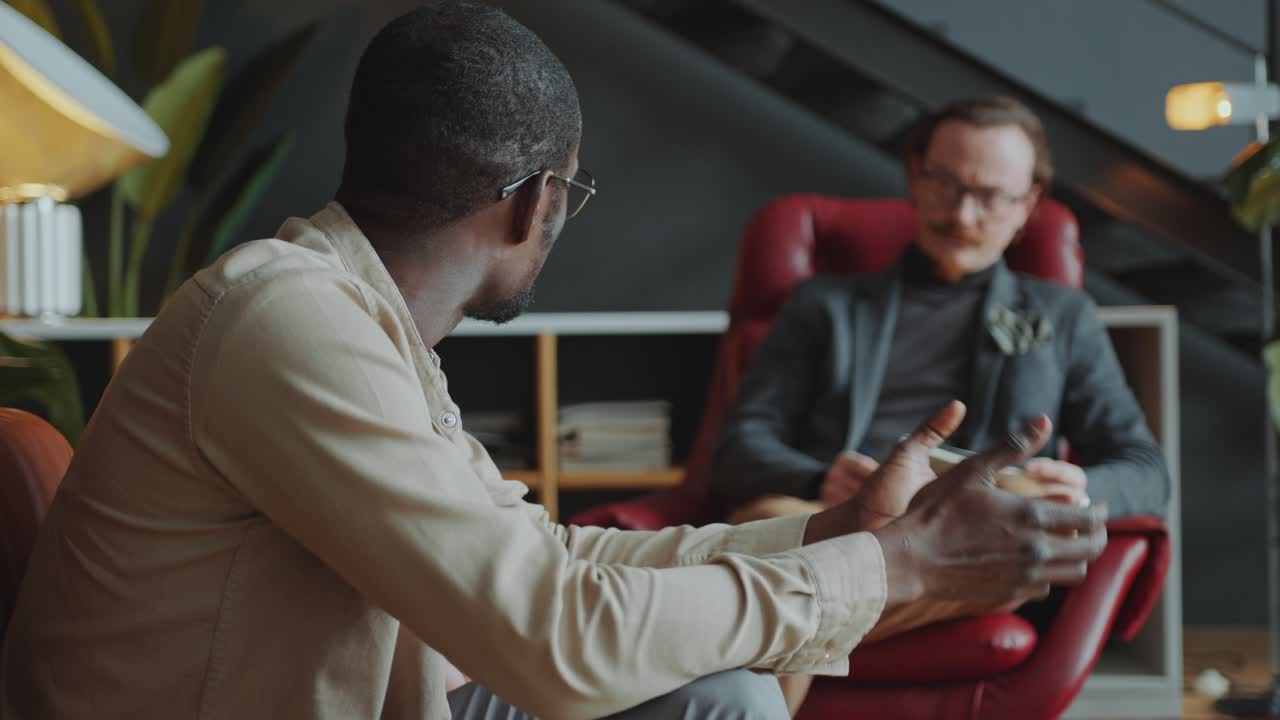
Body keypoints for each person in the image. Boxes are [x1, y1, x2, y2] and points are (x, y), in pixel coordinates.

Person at [0, 9, 1107, 720]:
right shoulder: (285, 323)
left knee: (720, 697)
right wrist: (899, 569)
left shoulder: (354, 322)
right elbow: (548, 637)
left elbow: (545, 560)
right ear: (536, 200)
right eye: (569, 196)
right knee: (720, 704)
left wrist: (838, 533)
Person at [712, 96, 1168, 714]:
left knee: (1019, 526)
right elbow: (740, 449)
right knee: (774, 523)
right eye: (946, 185)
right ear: (914, 176)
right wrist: (822, 478)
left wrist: (1080, 485)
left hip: (974, 537)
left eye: (990, 196)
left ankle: (752, 624)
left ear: (1028, 204)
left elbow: (1146, 468)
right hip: (826, 517)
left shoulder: (1063, 317)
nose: (962, 213)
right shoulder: (822, 306)